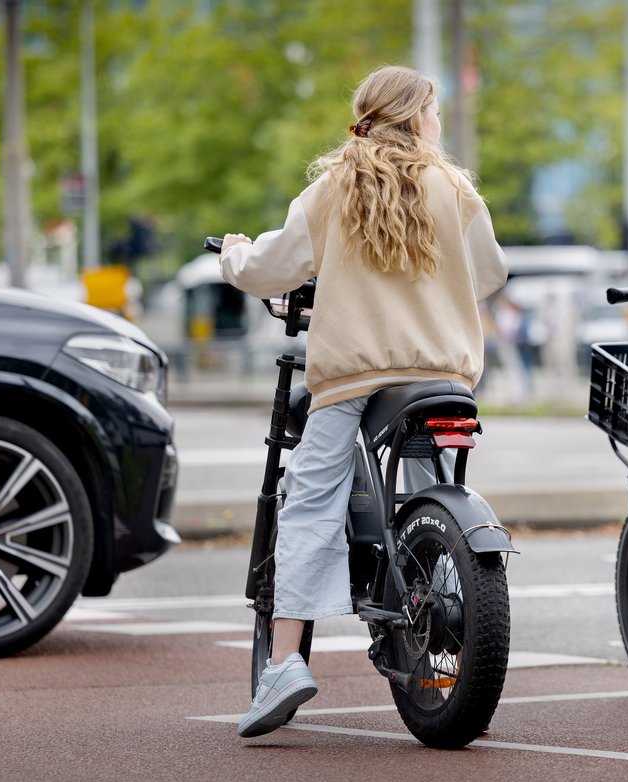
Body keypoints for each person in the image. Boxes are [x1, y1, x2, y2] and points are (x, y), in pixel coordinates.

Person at [217, 65, 508, 738]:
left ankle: (286, 663)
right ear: (417, 117)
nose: (439, 124)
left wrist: (234, 256)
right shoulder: (456, 190)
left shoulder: (331, 191)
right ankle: (438, 611)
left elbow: (271, 268)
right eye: (434, 113)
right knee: (427, 482)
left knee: (311, 503)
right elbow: (489, 273)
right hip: (442, 375)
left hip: (353, 379)